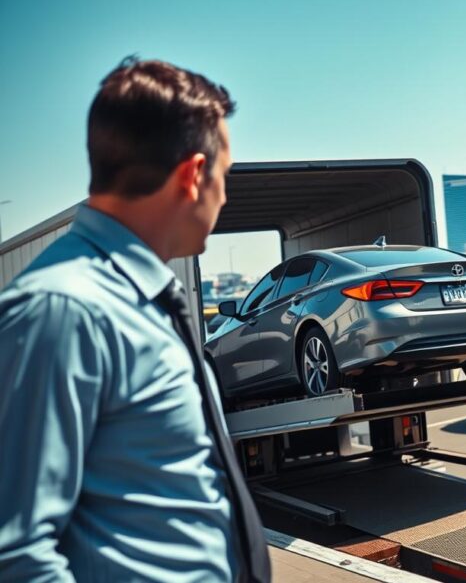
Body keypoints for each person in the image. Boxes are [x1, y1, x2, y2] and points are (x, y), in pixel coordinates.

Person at [0, 57, 270, 582]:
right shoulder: (63, 312)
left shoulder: (139, 301)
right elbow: (16, 553)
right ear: (193, 176)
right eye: (224, 176)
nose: (225, 195)